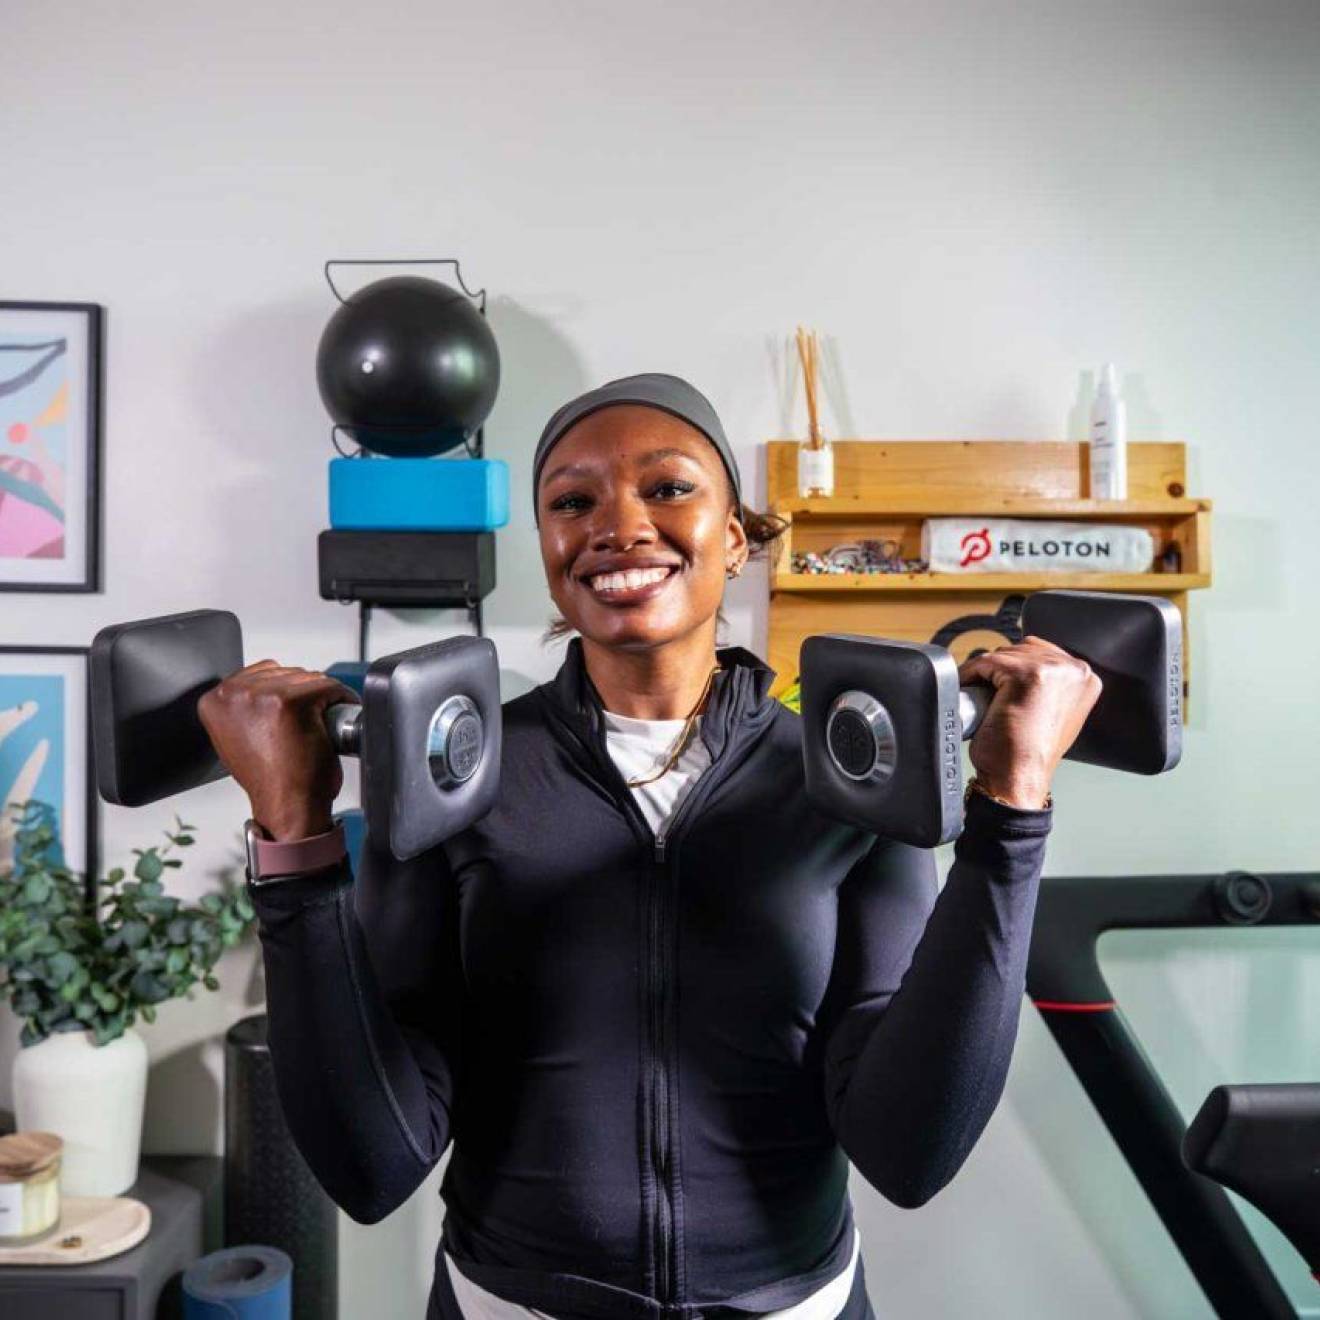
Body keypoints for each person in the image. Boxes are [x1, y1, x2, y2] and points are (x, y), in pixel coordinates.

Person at [200, 373, 1101, 1319]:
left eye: (668, 488)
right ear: (547, 546)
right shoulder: (454, 782)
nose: (618, 526)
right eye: (572, 501)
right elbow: (372, 1161)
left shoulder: (845, 783)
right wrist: (294, 841)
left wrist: (1012, 817)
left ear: (740, 537)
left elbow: (911, 1147)